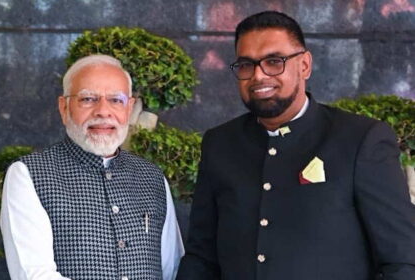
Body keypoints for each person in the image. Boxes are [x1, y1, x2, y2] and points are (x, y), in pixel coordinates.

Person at [176, 11, 415, 280]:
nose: (258, 76)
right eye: (246, 65)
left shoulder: (360, 139)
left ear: (304, 66)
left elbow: (403, 261)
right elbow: (202, 257)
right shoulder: (220, 143)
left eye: (274, 61)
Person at [1, 54, 184, 280]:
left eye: (116, 100)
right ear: (64, 108)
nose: (103, 111)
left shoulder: (152, 177)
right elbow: (34, 275)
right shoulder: (28, 174)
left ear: (130, 108)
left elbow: (172, 269)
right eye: (88, 99)